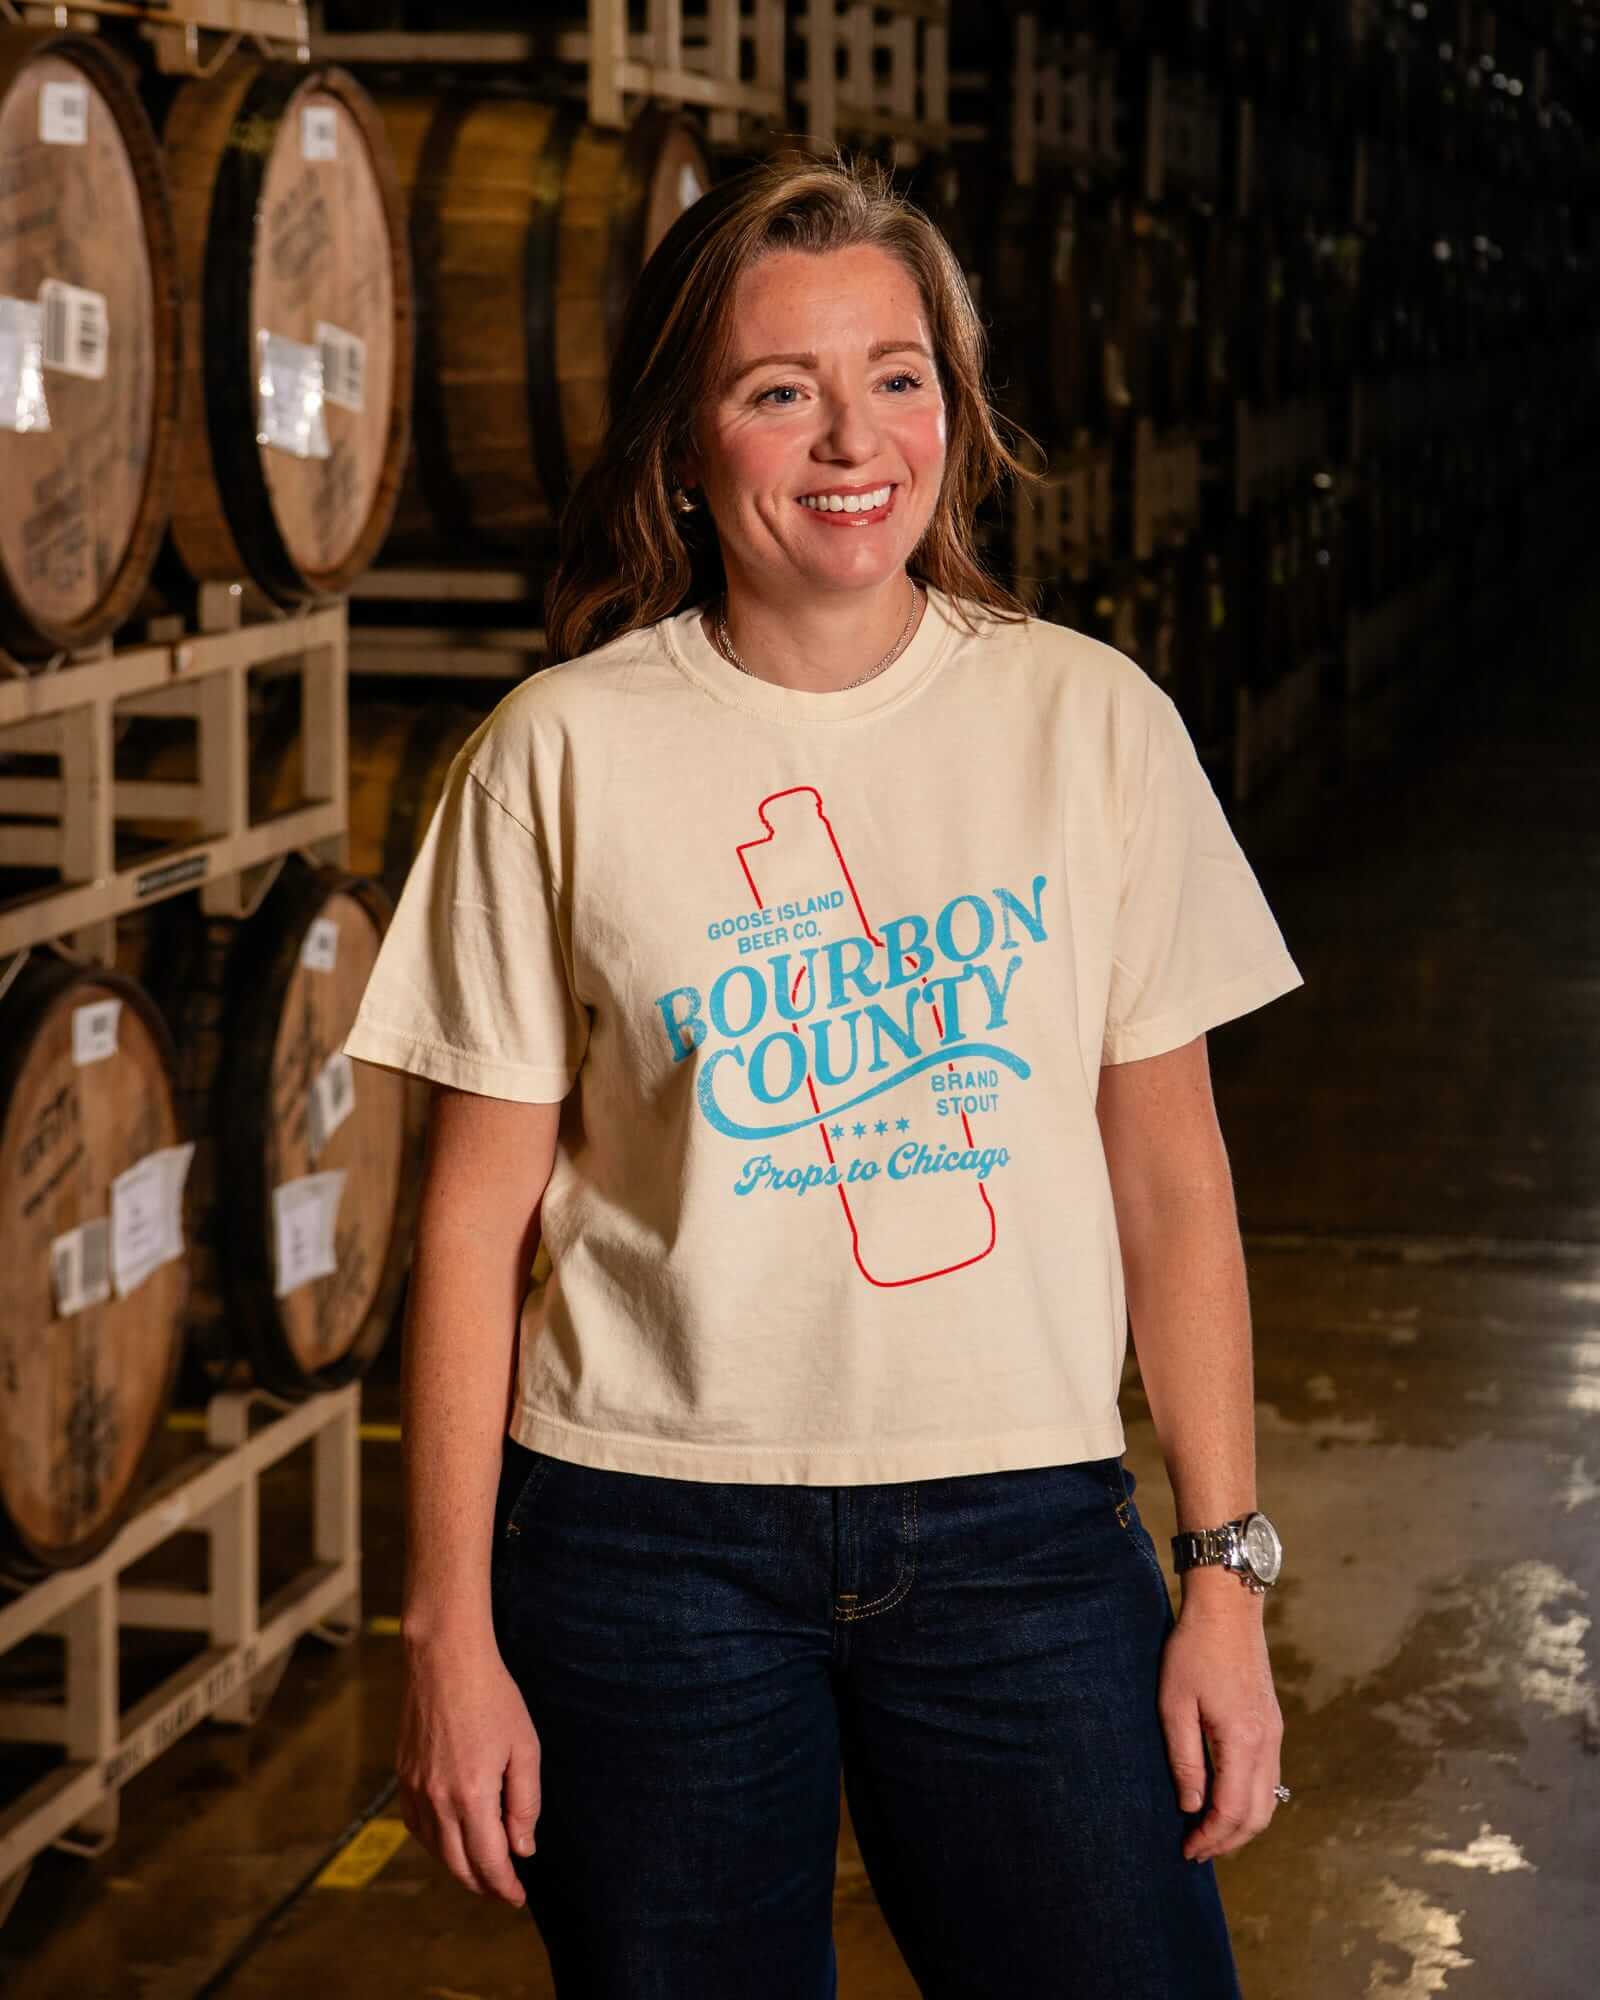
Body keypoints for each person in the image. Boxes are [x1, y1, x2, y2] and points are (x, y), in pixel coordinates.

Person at [343, 150, 1303, 1999]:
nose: (852, 438)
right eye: (780, 389)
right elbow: (467, 1234)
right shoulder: (558, 752)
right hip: (644, 1543)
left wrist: (1223, 1573)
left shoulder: (1091, 718)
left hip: (1025, 1524)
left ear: (956, 409)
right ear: (683, 444)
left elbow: (1175, 1182)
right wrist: (447, 1631)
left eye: (897, 376)